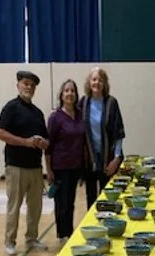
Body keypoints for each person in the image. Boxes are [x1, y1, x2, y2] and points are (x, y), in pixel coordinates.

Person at [0, 70, 49, 256]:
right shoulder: (10, 108)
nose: (29, 87)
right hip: (15, 166)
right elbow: (0, 133)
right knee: (14, 206)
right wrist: (25, 142)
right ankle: (10, 241)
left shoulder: (38, 113)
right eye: (25, 83)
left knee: (35, 207)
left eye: (32, 85)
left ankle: (32, 238)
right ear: (18, 85)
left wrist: (43, 143)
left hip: (35, 168)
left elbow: (47, 140)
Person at [46, 80, 86, 246]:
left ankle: (69, 232)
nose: (69, 93)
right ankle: (62, 235)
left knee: (70, 202)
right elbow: (48, 145)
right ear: (61, 95)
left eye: (72, 91)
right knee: (61, 203)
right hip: (59, 167)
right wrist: (49, 170)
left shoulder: (79, 114)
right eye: (66, 91)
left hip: (75, 167)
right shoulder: (55, 117)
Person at [80, 67, 125, 208]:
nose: (97, 83)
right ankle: (92, 227)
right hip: (90, 159)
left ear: (105, 83)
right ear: (89, 82)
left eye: (100, 80)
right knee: (91, 197)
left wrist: (116, 159)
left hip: (109, 157)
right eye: (94, 79)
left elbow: (118, 133)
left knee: (108, 196)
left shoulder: (111, 103)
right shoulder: (83, 102)